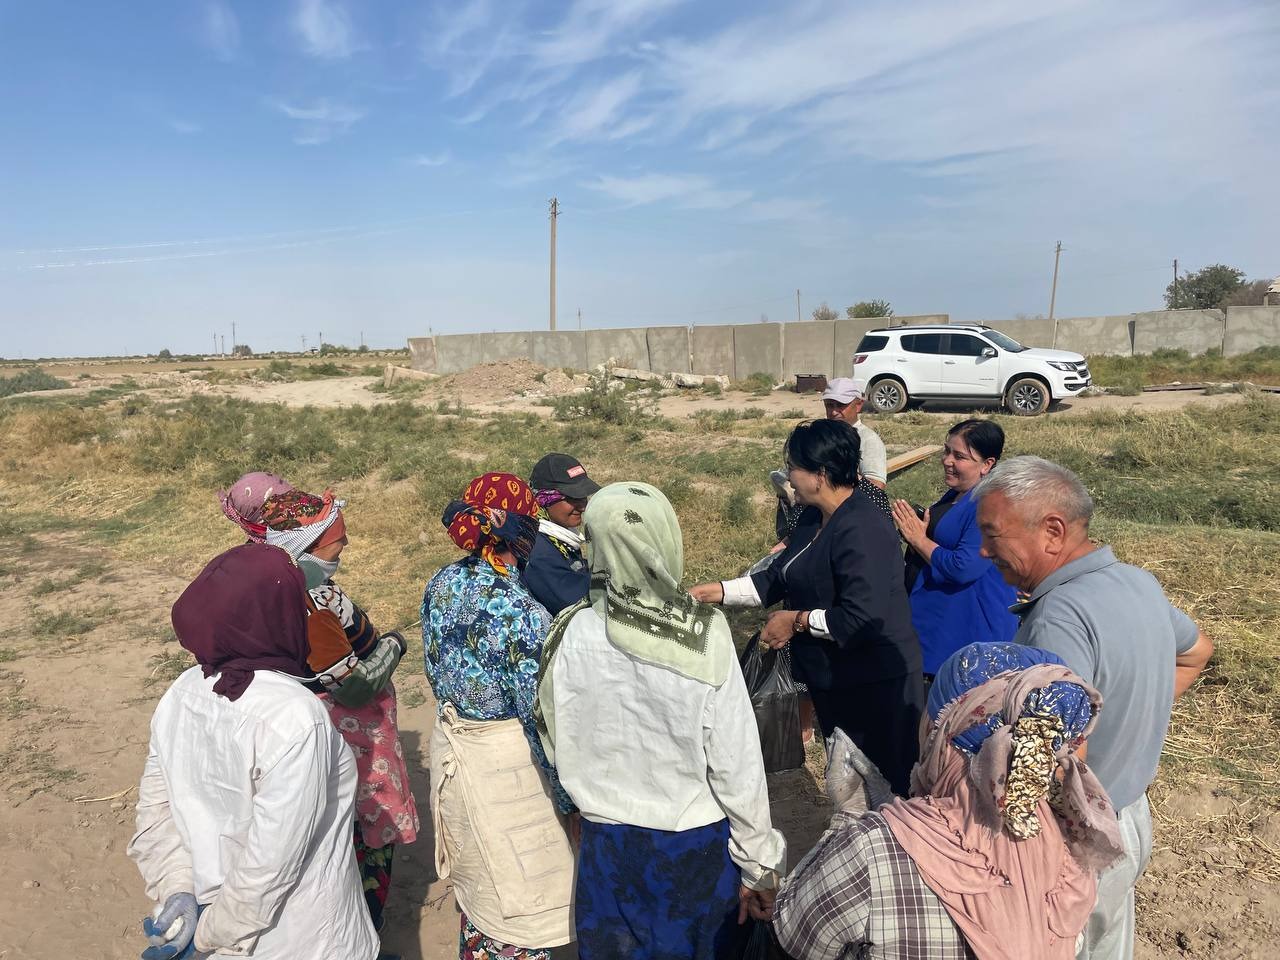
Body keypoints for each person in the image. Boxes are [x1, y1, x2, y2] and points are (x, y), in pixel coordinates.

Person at [973, 456, 1215, 960]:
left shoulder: (1058, 617)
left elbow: (1053, 757)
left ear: (1052, 531)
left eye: (993, 535)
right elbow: (1197, 653)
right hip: (1131, 819)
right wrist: (1134, 709)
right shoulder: (1138, 582)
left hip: (1079, 837)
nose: (983, 550)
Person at [537, 481, 785, 959]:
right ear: (663, 540)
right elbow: (736, 764)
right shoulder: (704, 636)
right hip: (694, 853)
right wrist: (759, 866)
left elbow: (553, 733)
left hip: (607, 850)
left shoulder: (568, 630)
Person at [774, 642, 1123, 960]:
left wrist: (847, 822)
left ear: (942, 734)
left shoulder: (870, 851)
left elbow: (796, 937)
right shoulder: (1075, 843)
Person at [128, 543, 378, 960]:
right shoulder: (296, 717)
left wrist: (178, 890)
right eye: (296, 602)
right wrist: (208, 934)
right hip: (303, 940)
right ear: (275, 616)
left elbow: (156, 813)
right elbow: (270, 864)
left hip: (218, 929)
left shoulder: (183, 692)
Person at [692, 419, 923, 796]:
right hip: (834, 680)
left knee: (882, 790)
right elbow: (779, 576)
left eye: (793, 468)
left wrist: (796, 620)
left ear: (820, 474)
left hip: (875, 686)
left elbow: (861, 617)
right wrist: (716, 592)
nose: (788, 478)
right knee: (847, 785)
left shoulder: (863, 528)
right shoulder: (814, 517)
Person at [422, 472, 575, 960]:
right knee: (523, 901)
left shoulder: (443, 582)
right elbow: (539, 716)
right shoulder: (519, 610)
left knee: (483, 888)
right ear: (521, 527)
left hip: (457, 751)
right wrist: (569, 801)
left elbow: (434, 670)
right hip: (509, 770)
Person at [256, 487, 417, 941]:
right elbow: (352, 686)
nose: (345, 543)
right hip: (349, 737)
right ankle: (363, 933)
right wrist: (393, 645)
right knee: (365, 828)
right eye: (337, 537)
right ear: (309, 543)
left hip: (304, 729)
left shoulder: (275, 585)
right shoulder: (311, 600)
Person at [891, 419, 1018, 685]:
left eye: (959, 456)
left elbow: (964, 567)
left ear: (987, 464)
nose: (947, 461)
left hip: (967, 633)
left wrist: (919, 540)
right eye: (946, 451)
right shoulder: (958, 494)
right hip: (939, 627)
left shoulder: (989, 505)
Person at [522, 452, 600, 615]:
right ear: (544, 500)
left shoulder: (560, 536)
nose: (583, 507)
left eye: (583, 497)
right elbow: (577, 602)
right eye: (572, 498)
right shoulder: (539, 553)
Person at [821, 377, 887, 488]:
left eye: (841, 405)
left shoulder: (868, 440)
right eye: (829, 405)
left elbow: (876, 486)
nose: (834, 412)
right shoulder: (821, 434)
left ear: (858, 405)